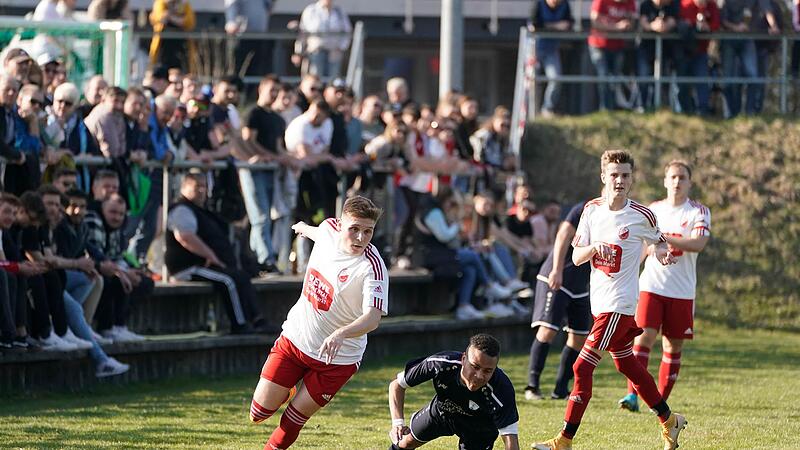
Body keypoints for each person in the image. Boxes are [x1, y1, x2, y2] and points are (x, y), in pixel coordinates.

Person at [533, 150, 686, 450]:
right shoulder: (591, 210)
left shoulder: (641, 215)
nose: (620, 180)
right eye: (614, 175)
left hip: (620, 305)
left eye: (625, 175)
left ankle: (564, 440)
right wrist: (594, 248)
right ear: (603, 176)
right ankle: (669, 420)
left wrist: (662, 254)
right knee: (627, 364)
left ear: (631, 179)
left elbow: (658, 243)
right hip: (600, 304)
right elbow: (577, 256)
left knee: (581, 367)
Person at [248, 195, 388, 450]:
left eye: (368, 231)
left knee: (292, 421)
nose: (360, 238)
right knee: (258, 413)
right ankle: (288, 389)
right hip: (296, 340)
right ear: (341, 224)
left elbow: (372, 318)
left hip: (338, 359)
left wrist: (341, 334)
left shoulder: (372, 267)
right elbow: (318, 232)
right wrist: (302, 228)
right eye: (354, 229)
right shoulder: (329, 229)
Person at [618, 160, 711, 412]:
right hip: (651, 286)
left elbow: (698, 244)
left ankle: (658, 401)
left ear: (689, 182)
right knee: (643, 337)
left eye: (682, 177)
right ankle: (632, 396)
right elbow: (641, 246)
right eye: (673, 177)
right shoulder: (653, 210)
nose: (677, 182)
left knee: (672, 345)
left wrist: (663, 238)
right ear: (665, 181)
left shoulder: (698, 212)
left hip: (682, 290)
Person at [165, 173, 270, 334]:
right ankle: (240, 325)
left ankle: (258, 320)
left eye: (204, 186)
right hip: (188, 266)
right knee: (228, 281)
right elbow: (185, 237)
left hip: (204, 264)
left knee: (241, 276)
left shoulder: (202, 211)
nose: (202, 190)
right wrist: (211, 256)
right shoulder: (182, 209)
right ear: (184, 187)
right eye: (197, 186)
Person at [387, 333, 520, 450]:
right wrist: (397, 424)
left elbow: (511, 442)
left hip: (479, 428)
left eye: (487, 371)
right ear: (463, 359)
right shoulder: (440, 364)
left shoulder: (502, 390)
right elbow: (396, 385)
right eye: (475, 366)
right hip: (442, 411)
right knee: (405, 443)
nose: (479, 376)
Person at [524, 201, 592, 401]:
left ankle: (560, 390)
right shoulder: (586, 208)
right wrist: (556, 269)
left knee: (578, 337)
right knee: (548, 330)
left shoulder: (618, 216)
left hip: (580, 285)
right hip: (557, 277)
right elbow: (563, 234)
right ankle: (532, 387)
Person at [587, 0, 636, 110]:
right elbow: (594, 22)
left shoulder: (630, 2)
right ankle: (604, 108)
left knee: (615, 78)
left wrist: (627, 25)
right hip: (599, 44)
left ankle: (613, 107)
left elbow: (632, 22)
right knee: (603, 75)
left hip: (618, 45)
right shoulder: (601, 1)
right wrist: (616, 27)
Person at [529, 0, 574, 117]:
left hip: (552, 49)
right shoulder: (539, 4)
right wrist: (555, 26)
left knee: (556, 79)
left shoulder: (564, 4)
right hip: (535, 49)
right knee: (533, 81)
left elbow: (569, 23)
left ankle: (547, 108)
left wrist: (551, 25)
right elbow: (534, 25)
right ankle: (532, 112)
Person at [676, 0, 720, 115]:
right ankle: (685, 111)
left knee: (702, 80)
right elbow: (680, 23)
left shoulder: (711, 6)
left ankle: (703, 110)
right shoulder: (684, 4)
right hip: (684, 52)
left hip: (701, 51)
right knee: (683, 83)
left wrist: (708, 27)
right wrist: (694, 25)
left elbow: (716, 24)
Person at [636, 0, 679, 111]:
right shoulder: (645, 4)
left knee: (663, 78)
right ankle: (642, 105)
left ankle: (659, 106)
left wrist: (664, 26)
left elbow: (673, 21)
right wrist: (653, 26)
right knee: (644, 76)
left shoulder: (671, 5)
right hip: (646, 48)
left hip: (665, 49)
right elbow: (643, 22)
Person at [293, 0, 352, 78]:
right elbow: (303, 33)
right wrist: (298, 52)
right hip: (315, 52)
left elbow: (347, 31)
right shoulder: (311, 10)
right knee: (315, 77)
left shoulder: (339, 12)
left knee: (333, 79)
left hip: (334, 53)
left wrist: (341, 47)